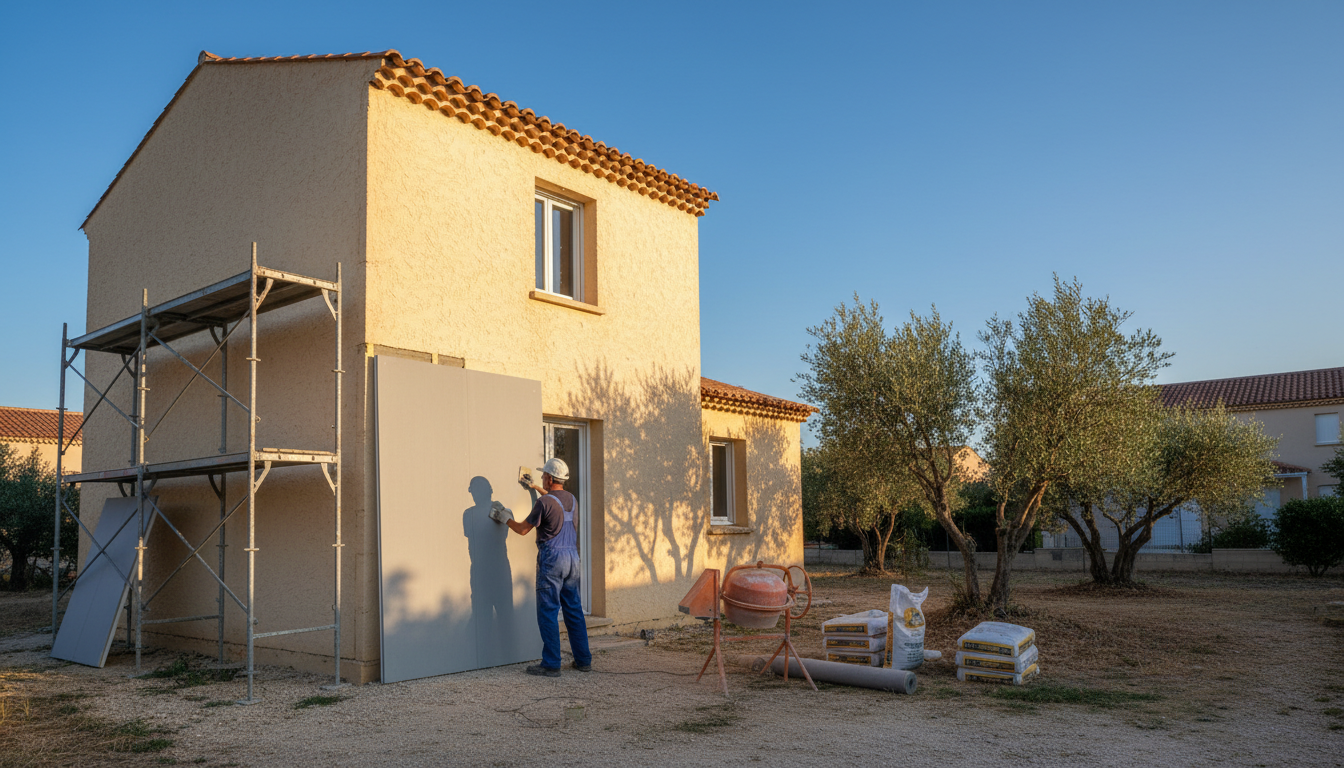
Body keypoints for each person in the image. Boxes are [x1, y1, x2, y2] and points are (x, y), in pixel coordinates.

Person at [506, 458, 592, 677]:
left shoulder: (544, 503)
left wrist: (505, 519)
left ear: (551, 478)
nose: (543, 478)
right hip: (572, 559)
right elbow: (555, 501)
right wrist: (535, 487)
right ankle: (583, 660)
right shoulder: (572, 499)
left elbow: (522, 529)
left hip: (552, 560)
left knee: (548, 611)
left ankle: (551, 664)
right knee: (573, 610)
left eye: (544, 476)